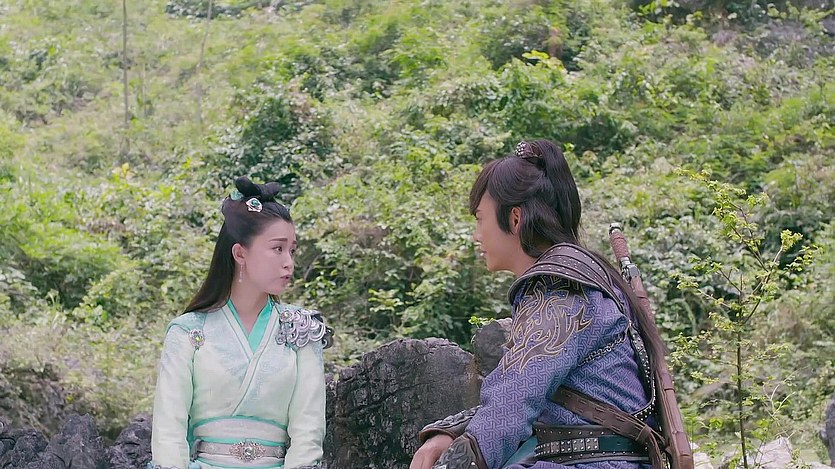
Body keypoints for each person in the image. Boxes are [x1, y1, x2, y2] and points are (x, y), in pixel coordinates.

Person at [410, 140, 665, 469]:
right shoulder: (578, 275)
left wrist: (455, 462)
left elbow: (514, 400)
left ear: (514, 219)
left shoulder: (558, 288)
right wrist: (452, 432)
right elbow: (518, 390)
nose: (476, 235)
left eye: (480, 219)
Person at [148, 177, 331, 469]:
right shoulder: (188, 331)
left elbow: (308, 432)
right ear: (240, 253)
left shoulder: (301, 329)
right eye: (277, 248)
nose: (289, 262)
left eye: (292, 250)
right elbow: (169, 430)